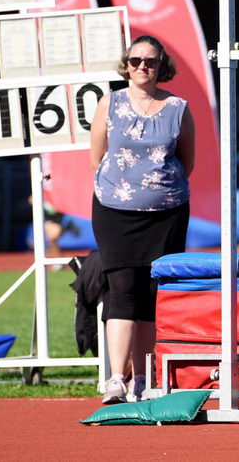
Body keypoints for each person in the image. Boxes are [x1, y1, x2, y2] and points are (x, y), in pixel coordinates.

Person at [90, 35, 195, 405]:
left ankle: (144, 379)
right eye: (135, 61)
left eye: (149, 61)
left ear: (161, 65)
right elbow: (97, 156)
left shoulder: (178, 107)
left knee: (153, 294)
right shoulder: (110, 102)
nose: (142, 67)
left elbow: (188, 162)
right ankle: (117, 380)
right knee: (121, 289)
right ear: (126, 64)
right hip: (114, 210)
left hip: (166, 213)